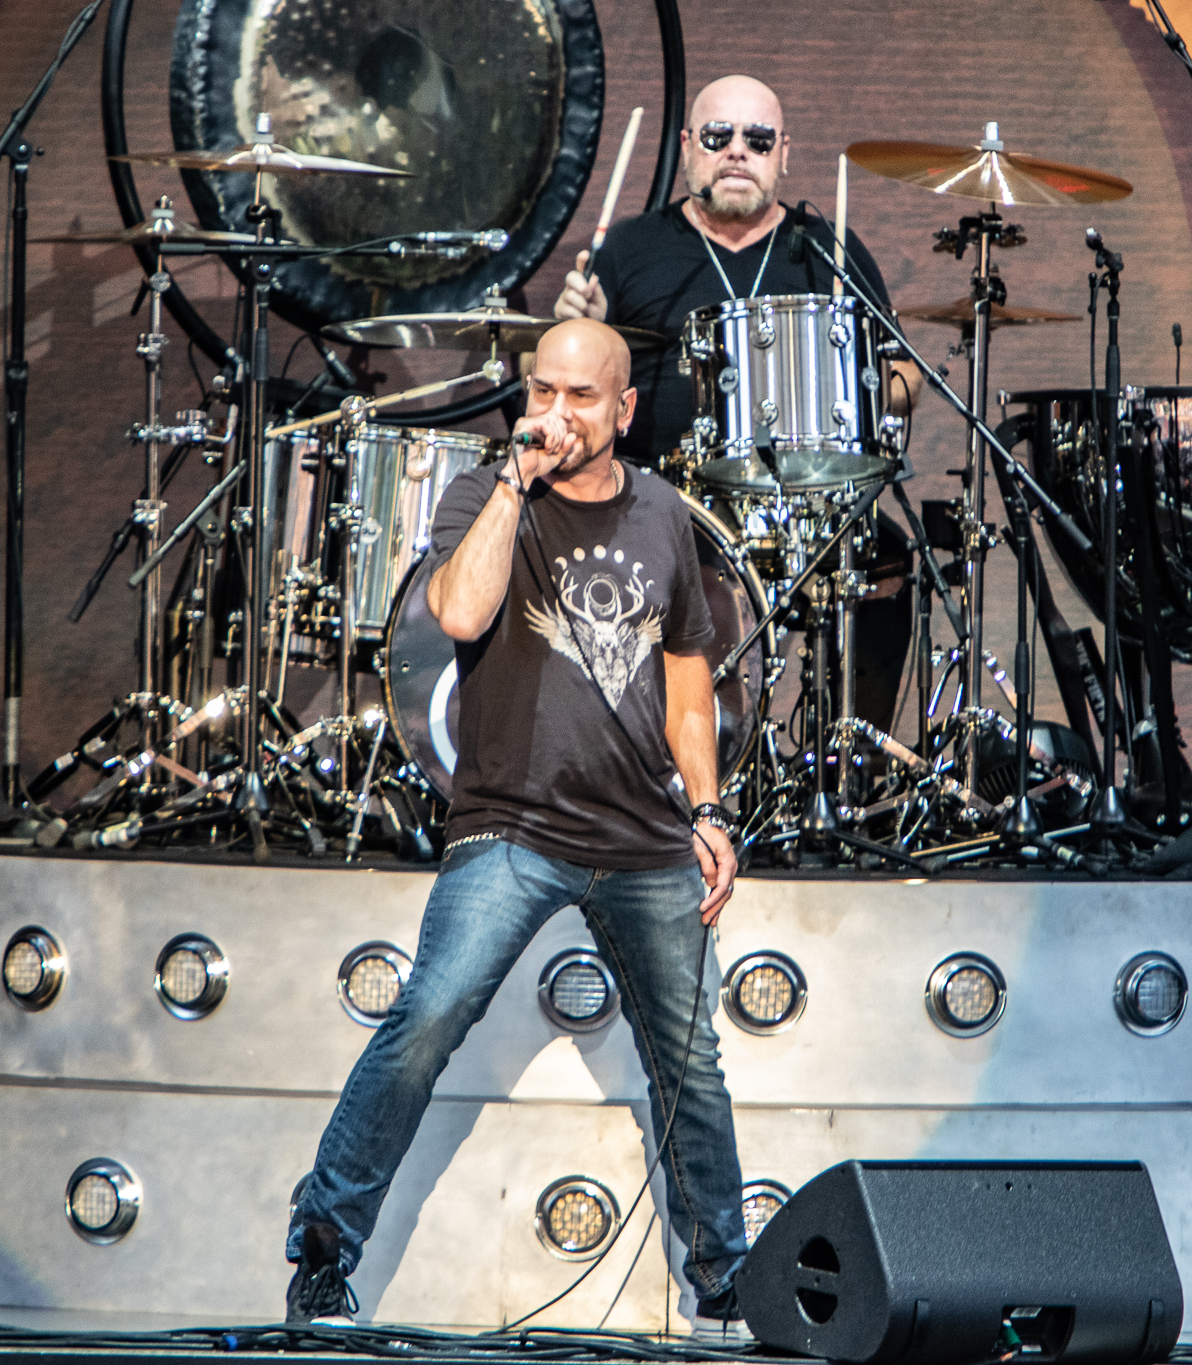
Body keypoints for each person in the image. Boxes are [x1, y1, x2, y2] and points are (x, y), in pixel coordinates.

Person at [283, 318, 751, 1341]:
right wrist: (513, 484)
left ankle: (725, 1274)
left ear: (624, 409)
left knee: (691, 1062)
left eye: (581, 396)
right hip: (511, 826)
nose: (556, 412)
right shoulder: (482, 494)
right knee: (429, 1014)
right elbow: (458, 613)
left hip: (643, 837)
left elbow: (687, 682)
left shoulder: (664, 514)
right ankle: (322, 1247)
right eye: (543, 390)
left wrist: (707, 808)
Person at [556, 73, 921, 466]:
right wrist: (574, 331)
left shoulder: (831, 248)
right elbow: (544, 375)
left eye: (758, 139)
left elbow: (907, 376)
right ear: (686, 147)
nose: (737, 152)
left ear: (783, 154)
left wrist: (846, 387)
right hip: (650, 490)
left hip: (803, 486)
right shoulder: (628, 244)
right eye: (717, 136)